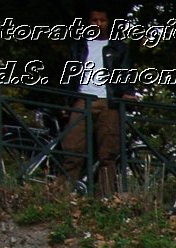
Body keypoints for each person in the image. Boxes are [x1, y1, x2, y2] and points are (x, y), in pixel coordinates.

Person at [58, 8, 133, 196]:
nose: (98, 23)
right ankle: (62, 197)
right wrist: (67, 102)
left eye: (102, 20)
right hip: (83, 98)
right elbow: (70, 75)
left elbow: (125, 73)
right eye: (94, 20)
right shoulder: (79, 46)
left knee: (108, 154)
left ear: (108, 22)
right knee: (73, 149)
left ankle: (107, 199)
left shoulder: (118, 48)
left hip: (108, 101)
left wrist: (126, 93)